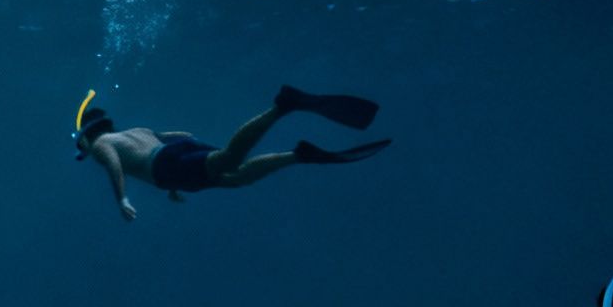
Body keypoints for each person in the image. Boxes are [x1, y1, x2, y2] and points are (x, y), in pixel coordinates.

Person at [72, 85, 391, 222]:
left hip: (167, 166)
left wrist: (122, 200)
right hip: (171, 158)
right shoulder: (133, 131)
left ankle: (282, 108)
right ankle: (299, 155)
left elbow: (115, 165)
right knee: (235, 177)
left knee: (229, 160)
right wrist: (174, 184)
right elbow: (178, 136)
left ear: (88, 136)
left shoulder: (102, 145)